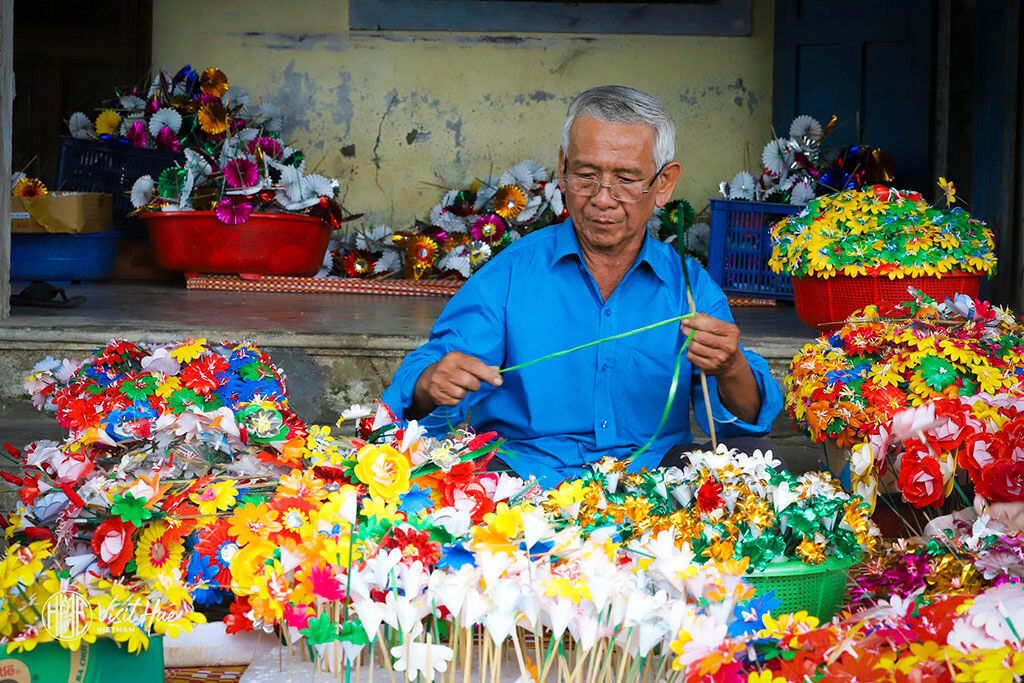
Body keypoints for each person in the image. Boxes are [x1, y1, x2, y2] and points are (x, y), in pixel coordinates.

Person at [381, 85, 783, 487]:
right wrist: (431, 384)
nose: (602, 199)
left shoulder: (689, 289)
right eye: (586, 176)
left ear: (664, 184)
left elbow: (744, 426)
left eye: (626, 179)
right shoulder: (509, 276)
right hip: (522, 481)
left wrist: (731, 367)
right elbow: (421, 389)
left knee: (749, 464)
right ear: (563, 168)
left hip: (653, 484)